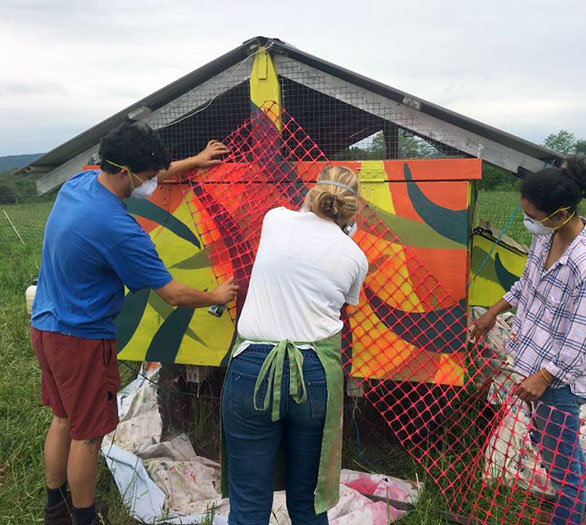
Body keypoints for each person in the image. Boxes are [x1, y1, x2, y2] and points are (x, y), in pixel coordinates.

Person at [31, 122, 239, 525]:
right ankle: (85, 518)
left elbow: (151, 171)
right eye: (146, 178)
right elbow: (173, 294)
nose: (151, 185)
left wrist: (193, 162)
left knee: (63, 418)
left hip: (47, 324)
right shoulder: (118, 229)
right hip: (82, 339)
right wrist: (215, 296)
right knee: (87, 434)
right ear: (126, 172)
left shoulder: (81, 181)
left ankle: (55, 510)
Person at [220, 166, 369, 524]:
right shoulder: (355, 257)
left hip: (251, 368)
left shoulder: (275, 219)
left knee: (250, 503)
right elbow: (345, 304)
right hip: (315, 373)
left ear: (313, 191)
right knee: (308, 501)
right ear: (352, 212)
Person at [471, 157, 586, 524]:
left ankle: (568, 516)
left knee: (564, 467)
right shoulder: (547, 238)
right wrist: (493, 311)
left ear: (562, 213)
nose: (528, 221)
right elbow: (528, 284)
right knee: (551, 447)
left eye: (532, 215)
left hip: (557, 381)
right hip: (533, 362)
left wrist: (545, 378)